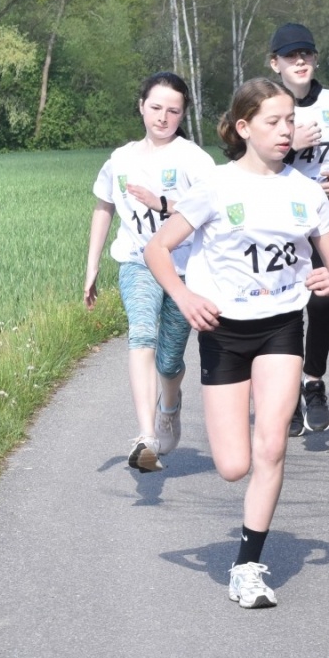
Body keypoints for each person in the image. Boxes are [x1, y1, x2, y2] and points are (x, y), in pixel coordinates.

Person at [144, 78, 329, 609]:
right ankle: (178, 403)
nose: (286, 131)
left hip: (282, 325)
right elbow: (158, 249)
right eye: (273, 122)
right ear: (243, 128)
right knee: (234, 464)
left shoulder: (306, 192)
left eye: (290, 121)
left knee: (273, 446)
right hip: (223, 329)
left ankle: (248, 566)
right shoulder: (216, 186)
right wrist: (185, 297)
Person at [84, 72, 215, 472]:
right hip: (136, 261)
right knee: (141, 333)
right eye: (155, 107)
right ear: (141, 106)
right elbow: (104, 207)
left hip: (183, 269)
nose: (162, 117)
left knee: (170, 360)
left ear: (183, 114)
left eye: (173, 111)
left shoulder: (194, 159)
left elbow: (214, 210)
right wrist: (91, 268)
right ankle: (145, 435)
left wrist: (164, 203)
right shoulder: (120, 159)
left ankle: (169, 405)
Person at [267, 22, 329, 436]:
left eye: (306, 53)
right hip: (276, 215)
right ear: (276, 64)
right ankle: (285, 395)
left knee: (323, 299)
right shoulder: (264, 103)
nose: (300, 61)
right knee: (286, 304)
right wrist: (291, 144)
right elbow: (238, 151)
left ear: (316, 58)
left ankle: (314, 382)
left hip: (328, 212)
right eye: (291, 56)